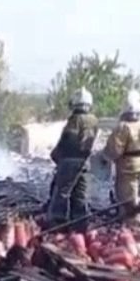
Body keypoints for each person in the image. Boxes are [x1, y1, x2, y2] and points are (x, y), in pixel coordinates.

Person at [104, 90, 140, 227]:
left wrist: (106, 157)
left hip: (127, 167)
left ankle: (133, 224)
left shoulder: (123, 127)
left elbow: (115, 149)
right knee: (139, 195)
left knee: (127, 197)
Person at [46, 87, 99, 228]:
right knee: (80, 193)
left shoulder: (75, 120)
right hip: (84, 161)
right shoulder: (94, 120)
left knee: (62, 192)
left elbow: (68, 140)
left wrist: (56, 155)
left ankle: (58, 221)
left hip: (70, 161)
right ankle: (80, 221)